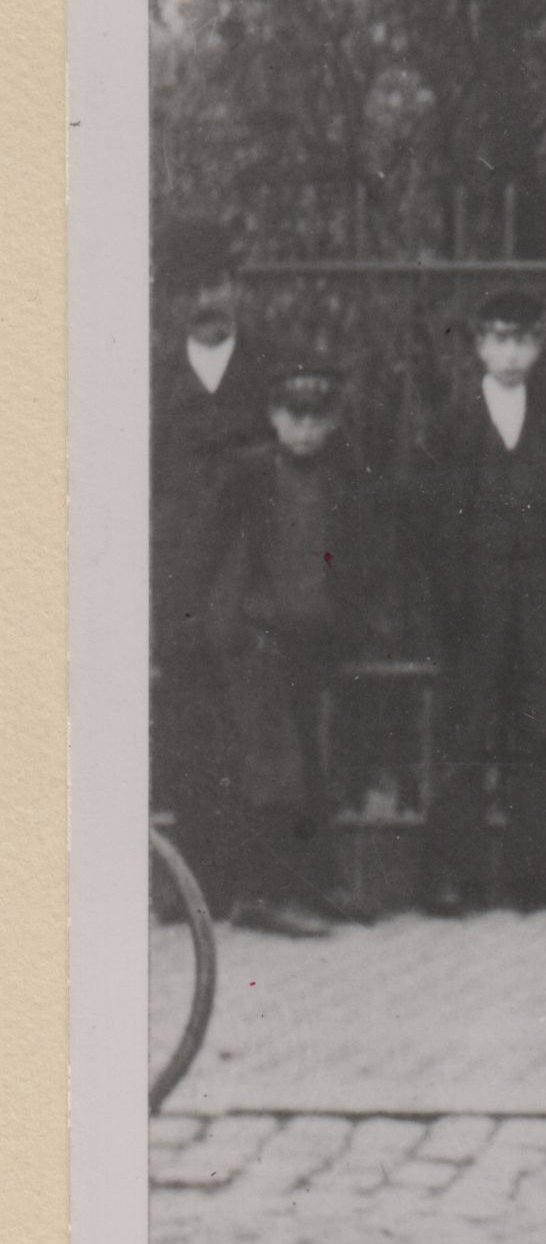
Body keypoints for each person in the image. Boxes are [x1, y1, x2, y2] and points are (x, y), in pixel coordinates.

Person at [409, 286, 546, 912]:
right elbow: (432, 518)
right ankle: (451, 876)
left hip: (541, 605)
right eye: (500, 339)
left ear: (539, 347)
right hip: (474, 608)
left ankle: (543, 872)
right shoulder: (454, 420)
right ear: (479, 345)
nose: (512, 353)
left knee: (543, 732)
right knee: (465, 736)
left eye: (523, 340)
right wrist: (447, 601)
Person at [184, 359, 386, 938]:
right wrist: (212, 626)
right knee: (272, 768)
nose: (305, 428)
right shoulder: (247, 474)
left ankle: (316, 884)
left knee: (311, 765)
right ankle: (258, 895)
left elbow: (348, 560)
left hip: (308, 642)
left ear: (332, 423)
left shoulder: (337, 479)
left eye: (317, 418)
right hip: (255, 639)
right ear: (274, 416)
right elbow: (204, 553)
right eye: (295, 416)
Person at [151, 217, 277, 900]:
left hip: (250, 575)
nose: (207, 300)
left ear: (237, 287)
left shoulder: (270, 371)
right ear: (174, 299)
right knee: (189, 727)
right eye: (193, 288)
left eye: (218, 283)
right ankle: (195, 886)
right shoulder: (154, 379)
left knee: (252, 724)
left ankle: (254, 884)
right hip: (180, 579)